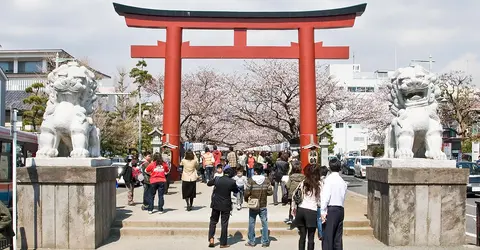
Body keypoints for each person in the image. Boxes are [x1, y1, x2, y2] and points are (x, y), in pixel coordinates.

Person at [207, 168, 238, 248]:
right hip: (226, 205)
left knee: (213, 221)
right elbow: (236, 191)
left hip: (215, 203)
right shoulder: (232, 182)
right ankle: (223, 243)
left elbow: (209, 183)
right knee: (224, 223)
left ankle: (211, 238)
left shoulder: (217, 179)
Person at [244, 163, 273, 247]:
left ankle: (251, 241)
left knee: (251, 222)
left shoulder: (251, 180)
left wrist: (246, 199)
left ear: (255, 171)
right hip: (263, 204)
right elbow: (270, 192)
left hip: (253, 204)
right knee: (264, 222)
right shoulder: (266, 180)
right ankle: (265, 241)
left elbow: (247, 192)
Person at [321, 158, 347, 250]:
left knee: (328, 237)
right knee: (338, 238)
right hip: (340, 209)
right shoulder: (342, 182)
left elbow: (325, 197)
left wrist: (323, 211)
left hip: (331, 209)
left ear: (330, 168)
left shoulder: (328, 180)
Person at [294, 164, 321, 250]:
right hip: (312, 211)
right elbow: (321, 199)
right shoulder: (319, 184)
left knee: (302, 236)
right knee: (311, 237)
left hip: (301, 210)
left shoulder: (303, 182)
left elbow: (296, 194)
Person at [317, 166, 329, 240]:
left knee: (319, 219)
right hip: (327, 202)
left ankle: (321, 234)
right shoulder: (328, 181)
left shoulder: (318, 182)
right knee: (327, 218)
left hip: (319, 202)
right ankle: (326, 233)